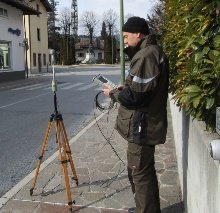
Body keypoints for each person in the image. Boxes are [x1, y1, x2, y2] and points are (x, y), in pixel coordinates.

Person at [102, 16, 169, 213]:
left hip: (142, 125)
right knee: (144, 172)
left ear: (137, 34)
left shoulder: (146, 55)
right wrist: (125, 87)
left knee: (139, 174)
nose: (124, 41)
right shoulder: (150, 52)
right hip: (146, 123)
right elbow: (142, 88)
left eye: (125, 36)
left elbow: (135, 98)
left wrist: (114, 93)